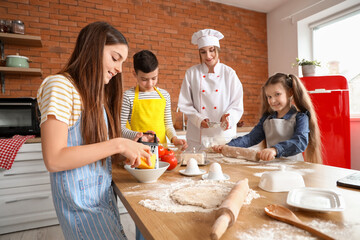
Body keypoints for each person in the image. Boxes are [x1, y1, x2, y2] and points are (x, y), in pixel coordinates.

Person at [37, 22, 152, 240]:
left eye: (122, 62)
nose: (119, 69)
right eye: (115, 58)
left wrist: (121, 154)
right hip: (82, 209)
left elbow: (90, 150)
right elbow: (54, 159)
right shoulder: (60, 86)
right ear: (93, 48)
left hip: (102, 201)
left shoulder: (93, 96)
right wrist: (119, 144)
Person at [213, 73, 322, 163]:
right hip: (270, 166)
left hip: (294, 168)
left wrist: (275, 149)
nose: (272, 100)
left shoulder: (300, 117)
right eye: (269, 96)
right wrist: (228, 146)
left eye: (277, 94)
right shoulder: (267, 119)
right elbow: (250, 138)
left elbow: (300, 142)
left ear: (290, 92)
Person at [177, 29, 243, 150]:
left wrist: (228, 118)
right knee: (195, 167)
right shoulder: (192, 73)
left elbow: (237, 103)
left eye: (211, 50)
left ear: (217, 50)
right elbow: (185, 103)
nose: (208, 56)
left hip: (223, 137)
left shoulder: (229, 73)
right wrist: (198, 119)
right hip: (197, 137)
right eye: (203, 52)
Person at [121, 49, 187, 149]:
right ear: (134, 73)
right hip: (139, 150)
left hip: (162, 150)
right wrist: (140, 136)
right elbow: (120, 129)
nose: (150, 83)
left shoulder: (164, 95)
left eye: (154, 78)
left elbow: (168, 124)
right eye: (144, 79)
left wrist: (174, 139)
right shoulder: (128, 96)